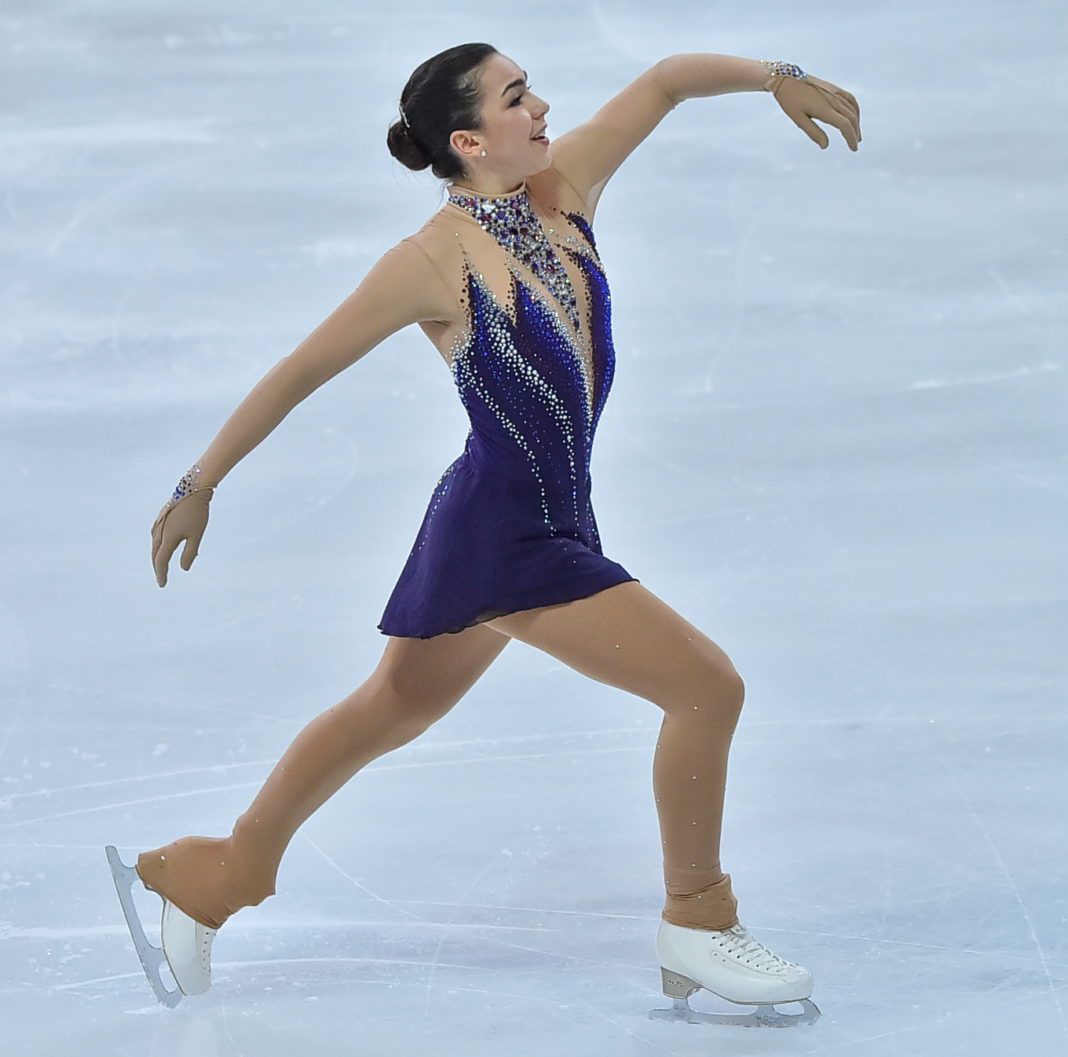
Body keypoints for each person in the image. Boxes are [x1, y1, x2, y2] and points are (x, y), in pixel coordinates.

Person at [105, 43, 861, 1022]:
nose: (541, 106)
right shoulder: (430, 261)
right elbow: (300, 370)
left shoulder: (565, 185)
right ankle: (697, 919)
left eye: (530, 87)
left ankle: (218, 872)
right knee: (706, 687)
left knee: (391, 707)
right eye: (516, 97)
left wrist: (774, 75)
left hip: (529, 514)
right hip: (510, 536)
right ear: (468, 141)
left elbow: (667, 80)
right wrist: (198, 481)